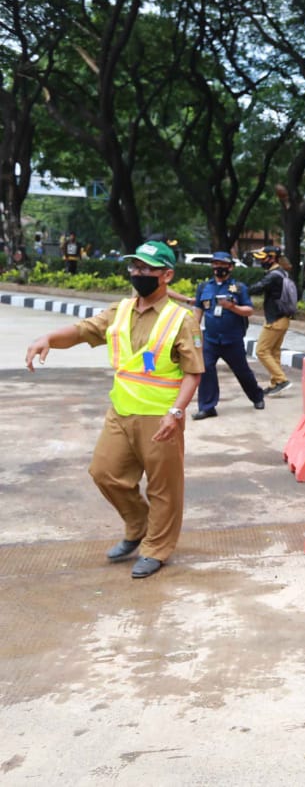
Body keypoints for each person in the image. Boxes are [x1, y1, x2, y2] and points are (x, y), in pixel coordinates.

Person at [24, 240, 203, 579]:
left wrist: (176, 412)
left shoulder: (180, 320)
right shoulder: (119, 311)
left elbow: (193, 373)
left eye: (146, 268)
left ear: (167, 275)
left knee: (163, 488)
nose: (138, 273)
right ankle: (138, 524)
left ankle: (156, 549)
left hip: (160, 417)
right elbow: (82, 331)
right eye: (134, 267)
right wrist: (49, 338)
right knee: (104, 472)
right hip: (120, 412)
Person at [191, 252, 265, 419]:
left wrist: (232, 307)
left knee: (242, 371)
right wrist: (194, 334)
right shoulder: (204, 287)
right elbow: (198, 311)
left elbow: (249, 310)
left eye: (222, 264)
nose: (218, 268)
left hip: (232, 340)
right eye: (215, 264)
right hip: (210, 339)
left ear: (230, 267)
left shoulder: (237, 288)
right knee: (206, 370)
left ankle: (257, 396)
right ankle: (208, 406)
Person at [248, 246, 292, 396]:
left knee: (261, 350)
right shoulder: (282, 272)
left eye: (263, 258)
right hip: (283, 319)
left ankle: (282, 379)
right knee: (273, 352)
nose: (260, 261)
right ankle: (276, 383)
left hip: (275, 320)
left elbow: (257, 288)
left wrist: (237, 290)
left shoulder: (274, 275)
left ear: (272, 258)